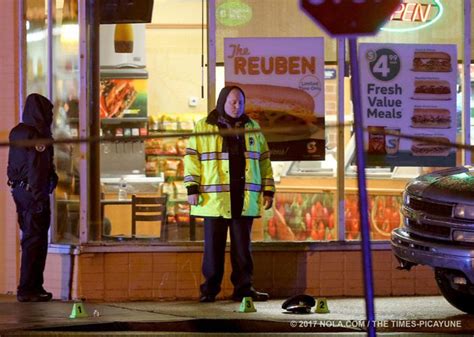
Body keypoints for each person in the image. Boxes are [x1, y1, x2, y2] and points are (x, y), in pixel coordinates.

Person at [184, 85, 275, 303]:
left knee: (243, 250)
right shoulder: (203, 127)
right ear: (222, 102)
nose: (237, 106)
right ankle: (209, 290)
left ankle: (244, 290)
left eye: (241, 102)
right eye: (233, 102)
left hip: (243, 198)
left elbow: (264, 161)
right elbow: (191, 159)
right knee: (213, 250)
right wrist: (192, 188)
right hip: (214, 199)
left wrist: (269, 189)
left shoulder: (253, 127)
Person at [7, 93, 58, 302]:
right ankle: (30, 289)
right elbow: (37, 168)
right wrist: (39, 197)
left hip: (19, 191)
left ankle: (31, 287)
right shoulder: (38, 135)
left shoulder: (18, 132)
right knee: (35, 242)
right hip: (33, 193)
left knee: (29, 240)